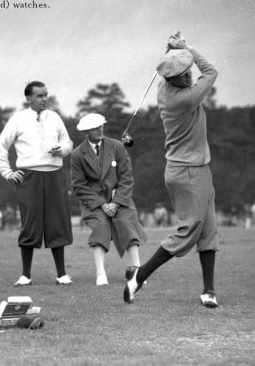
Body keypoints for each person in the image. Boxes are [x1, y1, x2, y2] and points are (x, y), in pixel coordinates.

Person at [124, 32, 219, 308]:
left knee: (209, 230)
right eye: (182, 74)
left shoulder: (165, 89)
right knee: (188, 231)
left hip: (196, 168)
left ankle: (209, 291)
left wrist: (173, 52)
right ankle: (140, 276)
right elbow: (211, 71)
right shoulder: (186, 98)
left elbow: (180, 68)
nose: (188, 76)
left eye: (188, 71)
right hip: (189, 172)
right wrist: (186, 47)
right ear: (171, 79)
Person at [0, 81, 74, 286]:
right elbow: (0, 146)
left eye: (46, 95)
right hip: (29, 176)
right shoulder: (18, 119)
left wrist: (61, 149)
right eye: (39, 96)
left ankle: (62, 274)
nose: (44, 99)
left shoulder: (54, 117)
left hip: (54, 174)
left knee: (58, 222)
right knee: (30, 223)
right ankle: (25, 275)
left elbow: (68, 142)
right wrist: (8, 173)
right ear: (29, 98)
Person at [71, 113, 147, 286]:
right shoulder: (77, 154)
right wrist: (103, 204)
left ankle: (137, 272)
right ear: (86, 131)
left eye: (101, 126)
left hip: (120, 201)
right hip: (94, 204)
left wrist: (116, 202)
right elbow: (79, 186)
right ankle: (100, 273)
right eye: (95, 127)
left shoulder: (117, 146)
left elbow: (126, 178)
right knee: (100, 227)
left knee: (127, 224)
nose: (100, 129)